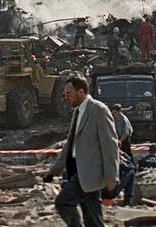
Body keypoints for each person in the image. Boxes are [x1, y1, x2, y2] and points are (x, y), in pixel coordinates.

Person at [45, 76, 118, 227]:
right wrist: (54, 170)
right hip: (79, 171)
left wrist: (111, 175)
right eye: (64, 94)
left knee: (63, 202)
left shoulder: (99, 110)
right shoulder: (78, 112)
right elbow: (70, 144)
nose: (65, 97)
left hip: (91, 172)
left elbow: (110, 144)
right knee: (93, 218)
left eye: (68, 93)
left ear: (81, 92)